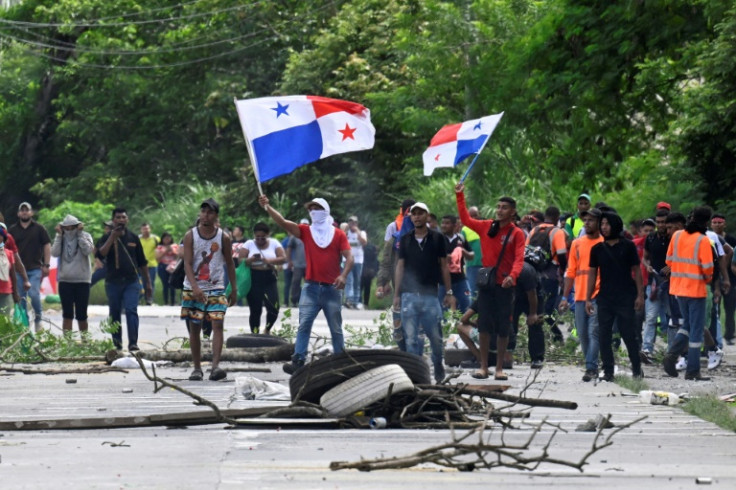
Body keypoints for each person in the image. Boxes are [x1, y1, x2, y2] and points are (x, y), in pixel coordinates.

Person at [258, 195, 353, 373]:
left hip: (332, 288)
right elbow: (284, 222)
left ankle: (341, 360)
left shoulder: (338, 234)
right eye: (310, 209)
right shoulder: (306, 231)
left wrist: (344, 275)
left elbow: (350, 257)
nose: (312, 212)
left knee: (335, 327)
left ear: (325, 211)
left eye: (316, 208)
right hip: (310, 287)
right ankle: (298, 359)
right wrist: (268, 207)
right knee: (304, 325)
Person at [456, 183, 525, 381]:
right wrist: (460, 196)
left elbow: (519, 258)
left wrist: (513, 276)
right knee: (484, 326)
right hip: (487, 285)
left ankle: (500, 369)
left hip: (506, 285)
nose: (500, 210)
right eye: (498, 207)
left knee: (504, 327)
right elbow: (465, 219)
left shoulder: (516, 233)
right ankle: (483, 366)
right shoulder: (486, 226)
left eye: (504, 208)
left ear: (513, 212)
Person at [393, 202, 454, 383]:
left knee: (435, 337)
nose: (417, 217)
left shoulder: (437, 239)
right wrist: (397, 295)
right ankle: (415, 375)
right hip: (409, 296)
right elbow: (400, 266)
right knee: (410, 338)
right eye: (414, 214)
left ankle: (437, 365)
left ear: (427, 216)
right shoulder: (405, 239)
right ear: (410, 217)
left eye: (421, 214)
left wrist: (449, 292)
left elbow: (444, 266)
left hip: (430, 296)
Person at [182, 198, 237, 381]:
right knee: (195, 327)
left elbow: (230, 263)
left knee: (217, 324)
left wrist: (234, 289)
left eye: (210, 212)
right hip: (193, 287)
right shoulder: (191, 235)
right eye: (203, 212)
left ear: (216, 216)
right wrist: (196, 288)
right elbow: (187, 264)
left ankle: (215, 367)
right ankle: (197, 368)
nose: (206, 215)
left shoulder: (224, 237)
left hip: (216, 287)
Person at [586, 212, 645, 381]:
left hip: (626, 296)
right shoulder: (597, 249)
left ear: (615, 225)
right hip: (604, 297)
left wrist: (640, 295)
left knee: (628, 334)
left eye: (607, 224)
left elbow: (637, 271)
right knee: (604, 335)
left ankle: (636, 368)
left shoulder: (628, 246)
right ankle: (608, 371)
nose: (604, 227)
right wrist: (588, 298)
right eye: (602, 224)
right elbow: (592, 275)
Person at [458, 261, 543, 369]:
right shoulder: (506, 296)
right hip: (509, 342)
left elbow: (464, 318)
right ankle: (504, 361)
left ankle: (481, 360)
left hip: (491, 340)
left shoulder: (484, 297)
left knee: (462, 327)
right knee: (508, 325)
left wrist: (475, 324)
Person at [662, 207, 714, 381]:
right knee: (696, 331)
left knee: (688, 325)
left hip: (678, 289)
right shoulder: (703, 240)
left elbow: (668, 260)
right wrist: (707, 279)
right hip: (696, 290)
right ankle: (692, 370)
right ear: (706, 222)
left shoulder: (677, 236)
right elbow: (707, 269)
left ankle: (671, 355)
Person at [96, 208, 152, 351]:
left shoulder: (133, 238)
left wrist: (148, 283)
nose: (121, 220)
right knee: (114, 312)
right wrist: (112, 237)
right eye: (118, 217)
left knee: (131, 310)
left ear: (127, 220)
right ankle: (117, 344)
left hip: (131, 281)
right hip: (112, 282)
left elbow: (142, 262)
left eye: (123, 217)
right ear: (113, 220)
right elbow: (100, 254)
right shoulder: (106, 237)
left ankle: (133, 343)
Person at [559, 207, 603, 382]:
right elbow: (570, 272)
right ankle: (590, 363)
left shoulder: (603, 242)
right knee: (583, 334)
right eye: (585, 220)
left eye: (591, 220)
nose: (587, 223)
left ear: (599, 223)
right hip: (579, 296)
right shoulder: (577, 243)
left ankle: (591, 367)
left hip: (598, 294)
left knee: (594, 332)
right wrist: (564, 297)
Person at [526, 206, 568, 343]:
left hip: (533, 274)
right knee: (548, 309)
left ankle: (539, 338)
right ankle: (556, 336)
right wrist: (563, 273)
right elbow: (561, 254)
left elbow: (525, 252)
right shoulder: (558, 232)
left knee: (536, 307)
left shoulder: (534, 230)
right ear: (557, 217)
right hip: (550, 274)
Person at [9, 202, 50, 332]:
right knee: (21, 298)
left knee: (34, 294)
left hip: (35, 268)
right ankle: (24, 325)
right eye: (22, 210)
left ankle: (38, 320)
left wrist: (47, 264)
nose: (25, 212)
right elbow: (7, 248)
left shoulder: (39, 228)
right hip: (18, 270)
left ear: (31, 213)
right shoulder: (12, 230)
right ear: (18, 213)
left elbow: (47, 245)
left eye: (27, 210)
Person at [50, 215, 94, 335]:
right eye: (66, 228)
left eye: (72, 228)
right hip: (65, 281)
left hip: (82, 280)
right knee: (67, 314)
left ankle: (85, 342)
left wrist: (79, 234)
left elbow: (88, 250)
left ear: (77, 226)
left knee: (82, 314)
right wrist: (59, 235)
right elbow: (54, 253)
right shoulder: (61, 238)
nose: (69, 231)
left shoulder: (86, 236)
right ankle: (67, 344)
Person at [240, 222, 285, 334]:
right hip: (254, 277)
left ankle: (267, 329)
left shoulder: (274, 243)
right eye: (257, 237)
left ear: (268, 235)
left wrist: (269, 261)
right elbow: (240, 259)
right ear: (254, 235)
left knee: (273, 307)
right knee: (255, 309)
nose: (260, 240)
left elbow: (283, 258)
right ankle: (255, 333)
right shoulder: (249, 243)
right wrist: (249, 260)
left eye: (263, 237)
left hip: (269, 277)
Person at [641, 209, 671, 357]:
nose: (661, 225)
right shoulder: (651, 238)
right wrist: (647, 266)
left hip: (671, 284)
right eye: (658, 222)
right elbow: (645, 257)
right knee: (651, 317)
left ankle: (673, 350)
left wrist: (672, 266)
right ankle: (647, 349)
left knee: (672, 318)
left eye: (663, 222)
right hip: (653, 283)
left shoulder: (674, 237)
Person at [439, 215, 473, 313]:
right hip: (443, 282)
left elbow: (471, 255)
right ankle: (447, 327)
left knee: (466, 305)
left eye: (447, 223)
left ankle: (462, 326)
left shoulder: (461, 239)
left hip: (460, 280)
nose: (444, 226)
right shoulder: (438, 239)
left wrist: (463, 251)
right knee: (444, 312)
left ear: (454, 225)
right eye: (443, 223)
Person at [711, 214, 736, 345]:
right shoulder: (708, 238)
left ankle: (729, 335)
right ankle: (715, 336)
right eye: (714, 222)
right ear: (711, 224)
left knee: (730, 307)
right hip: (714, 277)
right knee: (714, 309)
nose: (717, 224)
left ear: (724, 224)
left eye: (720, 222)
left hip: (730, 278)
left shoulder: (731, 239)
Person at [344, 216, 368, 309]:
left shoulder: (362, 233)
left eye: (354, 223)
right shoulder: (346, 233)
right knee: (349, 280)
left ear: (357, 224)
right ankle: (349, 300)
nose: (352, 225)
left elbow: (364, 242)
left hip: (358, 260)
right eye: (350, 223)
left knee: (357, 281)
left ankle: (356, 301)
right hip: (347, 260)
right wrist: (345, 231)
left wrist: (357, 232)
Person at [285, 219, 309, 307]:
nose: (305, 226)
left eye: (306, 224)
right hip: (298, 264)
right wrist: (289, 261)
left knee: (309, 283)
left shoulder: (311, 235)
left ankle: (308, 301)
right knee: (296, 282)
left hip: (309, 265)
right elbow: (289, 249)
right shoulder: (295, 236)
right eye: (303, 224)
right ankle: (294, 301)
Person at [463, 206, 483, 299]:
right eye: (471, 216)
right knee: (473, 292)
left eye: (476, 215)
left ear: (480, 214)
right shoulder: (465, 230)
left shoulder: (485, 226)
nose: (474, 218)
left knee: (485, 292)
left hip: (486, 265)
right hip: (472, 266)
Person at [155, 232, 179, 306]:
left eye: (169, 238)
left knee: (172, 284)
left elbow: (178, 256)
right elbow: (157, 258)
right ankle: (166, 302)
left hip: (173, 266)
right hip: (162, 266)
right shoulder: (159, 247)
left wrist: (172, 250)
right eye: (165, 238)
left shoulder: (175, 246)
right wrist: (165, 251)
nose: (167, 240)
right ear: (162, 239)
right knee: (165, 284)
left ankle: (173, 302)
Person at [0, 227, 20, 315]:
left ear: (3, 238)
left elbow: (13, 275)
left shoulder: (9, 253)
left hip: (6, 292)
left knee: (5, 320)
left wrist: (15, 293)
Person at [139, 223, 160, 305]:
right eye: (144, 229)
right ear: (141, 230)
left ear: (150, 229)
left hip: (152, 264)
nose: (146, 230)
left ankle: (149, 299)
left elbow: (161, 248)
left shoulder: (155, 239)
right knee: (141, 282)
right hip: (140, 265)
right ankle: (140, 299)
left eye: (147, 228)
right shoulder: (138, 239)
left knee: (150, 282)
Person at [91, 221, 113, 287]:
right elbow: (94, 249)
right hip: (103, 266)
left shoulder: (118, 239)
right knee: (90, 281)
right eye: (106, 228)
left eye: (109, 228)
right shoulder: (103, 238)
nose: (107, 230)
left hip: (113, 268)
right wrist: (97, 260)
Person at [361, 241, 379, 307]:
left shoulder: (363, 248)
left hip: (363, 270)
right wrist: (375, 272)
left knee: (360, 287)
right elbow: (376, 261)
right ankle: (366, 303)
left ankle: (359, 301)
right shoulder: (373, 249)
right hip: (370, 271)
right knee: (367, 288)